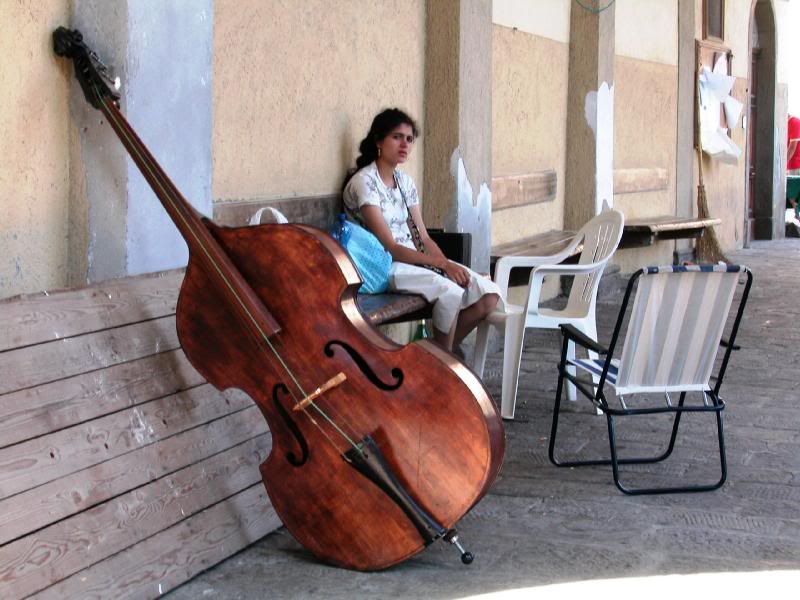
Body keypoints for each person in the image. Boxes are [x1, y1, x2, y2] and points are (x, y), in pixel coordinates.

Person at [342, 108, 503, 354]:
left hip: (415, 260)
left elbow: (424, 237)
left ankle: (434, 357)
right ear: (378, 141)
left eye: (409, 139)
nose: (404, 144)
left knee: (488, 294)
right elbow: (390, 247)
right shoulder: (365, 182)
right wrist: (443, 266)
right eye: (396, 137)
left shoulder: (405, 183)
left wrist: (444, 264)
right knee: (450, 292)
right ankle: (442, 363)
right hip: (384, 266)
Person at [788, 114, 800, 218]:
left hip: (796, 165)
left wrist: (782, 165)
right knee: (791, 194)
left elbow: (792, 148)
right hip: (790, 166)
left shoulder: (794, 122)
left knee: (794, 192)